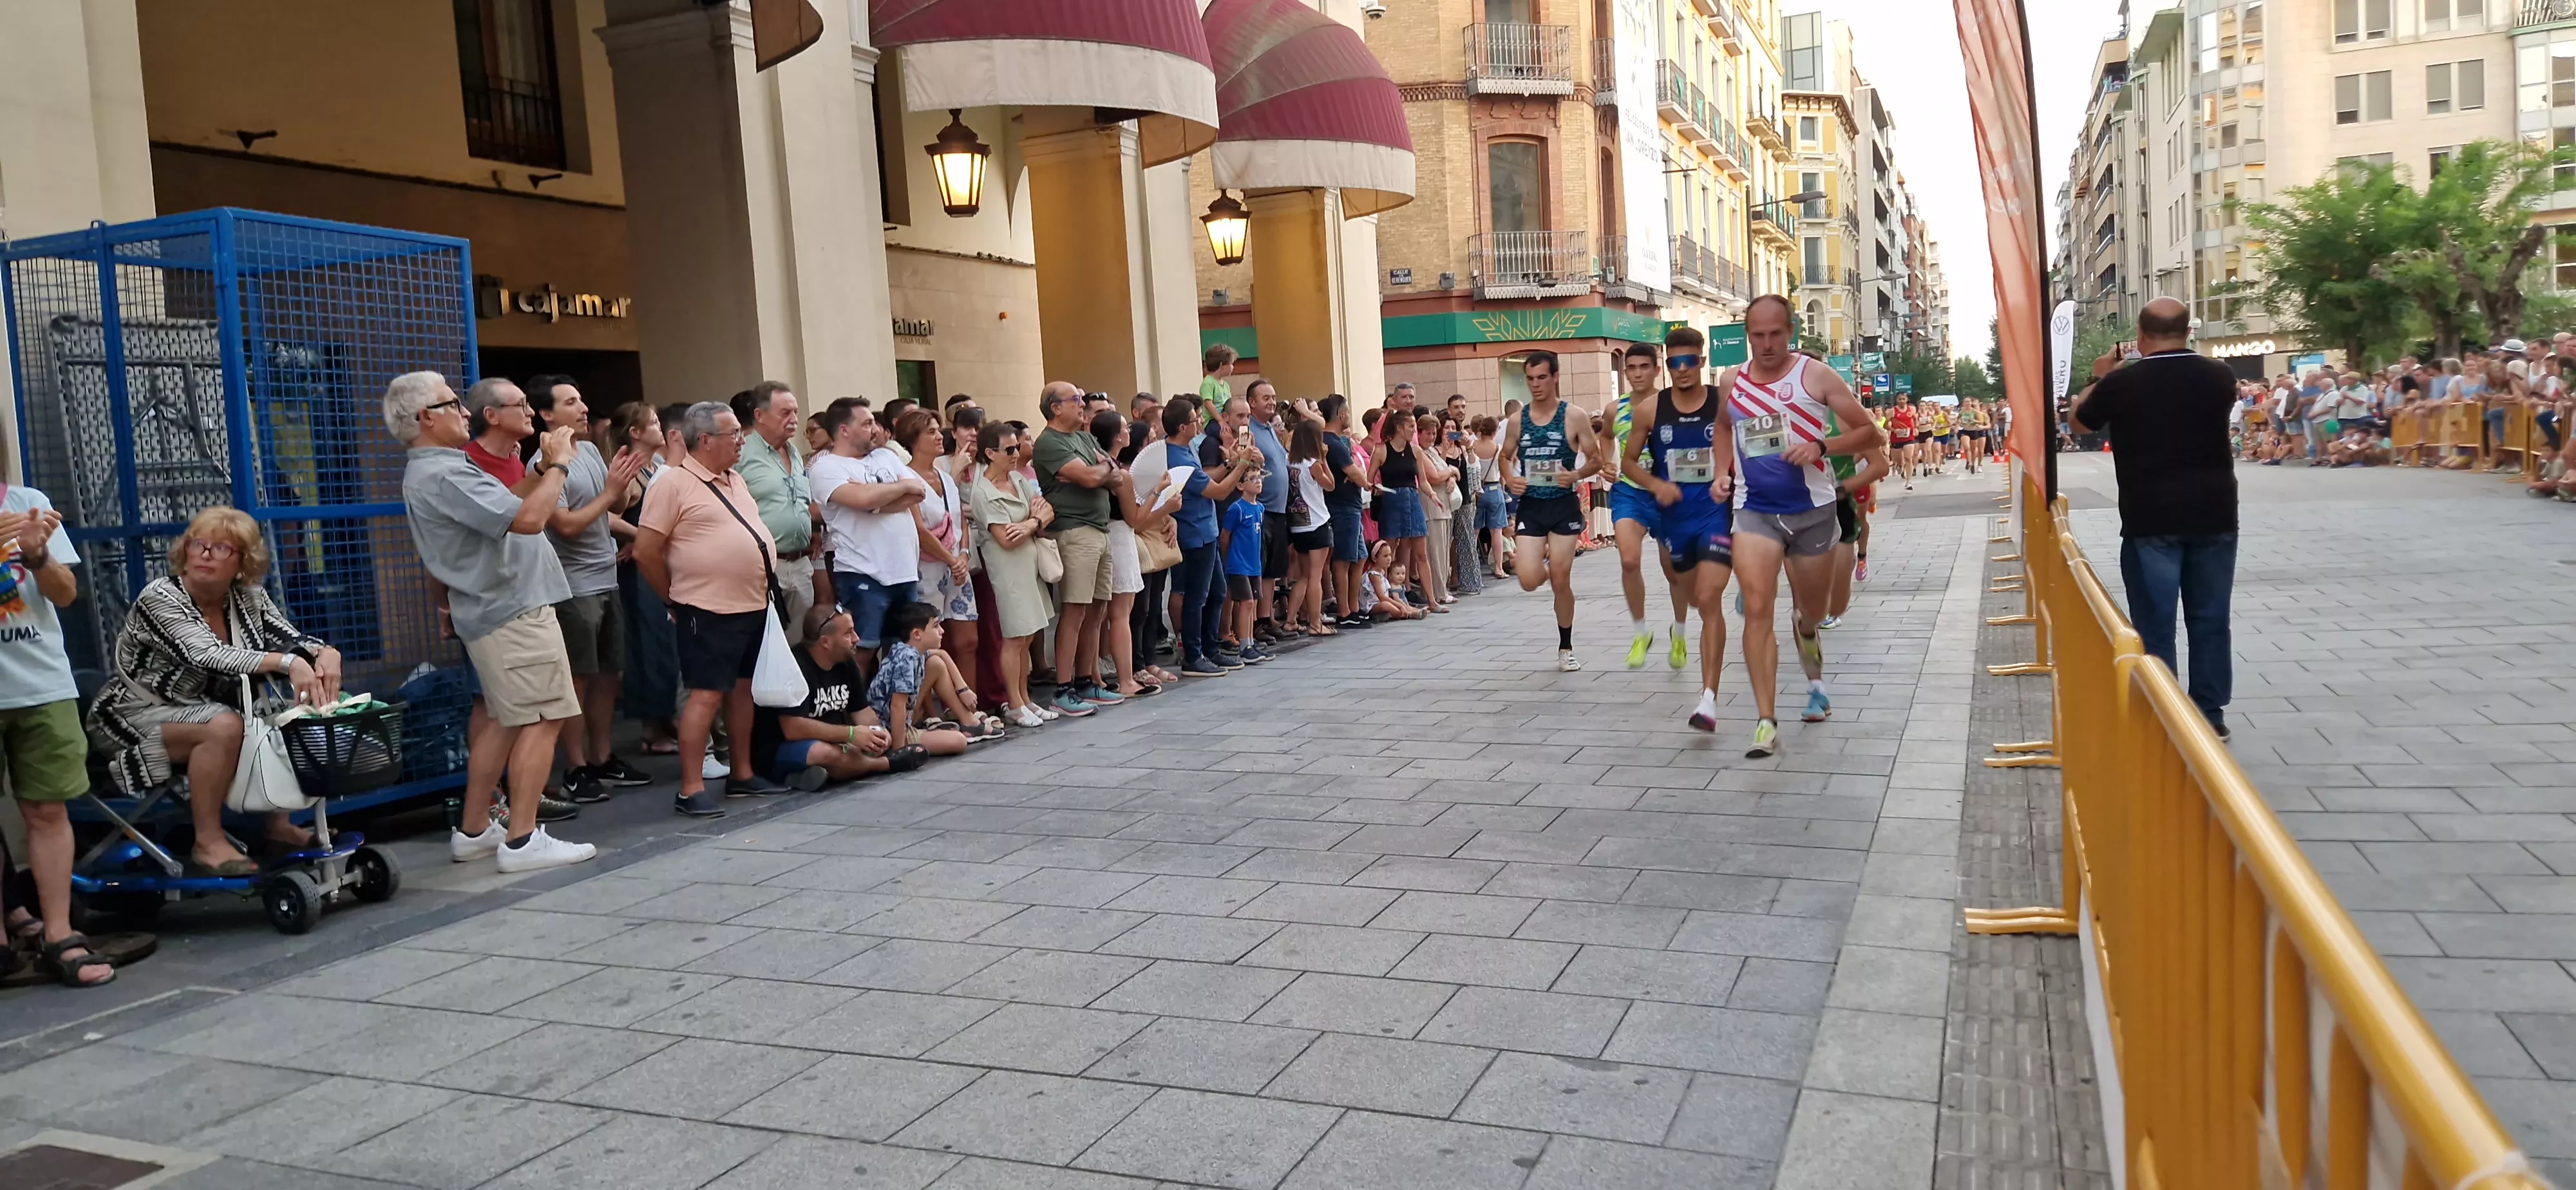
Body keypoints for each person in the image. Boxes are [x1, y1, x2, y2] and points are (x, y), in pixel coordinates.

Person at [387, 371, 598, 871]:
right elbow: (528, 519)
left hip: (497, 609)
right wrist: (560, 468)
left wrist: (543, 466)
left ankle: (475, 829)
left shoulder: (442, 467)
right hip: (513, 610)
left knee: (506, 720)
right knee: (545, 717)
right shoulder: (444, 473)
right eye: (453, 403)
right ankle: (523, 840)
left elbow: (506, 506)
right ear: (425, 418)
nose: (464, 411)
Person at [88, 507, 343, 877]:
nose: (206, 554)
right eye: (199, 544)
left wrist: (324, 654)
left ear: (242, 562)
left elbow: (289, 639)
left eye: (222, 548)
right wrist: (288, 664)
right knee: (223, 724)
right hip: (132, 714)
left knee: (284, 711)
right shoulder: (159, 597)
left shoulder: (247, 597)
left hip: (203, 710)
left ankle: (279, 827)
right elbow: (207, 654)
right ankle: (207, 842)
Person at [1720, 296, 1884, 757]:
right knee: (1756, 607)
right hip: (1755, 510)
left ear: (1790, 331)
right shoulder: (1731, 381)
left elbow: (1872, 435)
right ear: (1747, 334)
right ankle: (1766, 721)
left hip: (1813, 513)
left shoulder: (1815, 376)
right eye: (1757, 335)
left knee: (1809, 614)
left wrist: (1821, 446)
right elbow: (1720, 429)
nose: (1767, 344)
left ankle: (1814, 676)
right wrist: (1720, 472)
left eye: (1776, 334)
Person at [2069, 296, 2239, 738]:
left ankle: (2163, 713)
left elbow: (2079, 423)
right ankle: (2210, 713)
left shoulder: (2124, 382)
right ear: (2188, 332)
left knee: (2155, 619)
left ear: (2140, 336)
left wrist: (2100, 375)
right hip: (2215, 514)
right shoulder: (2220, 376)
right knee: (2210, 617)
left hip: (2151, 517)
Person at [635, 401, 792, 818]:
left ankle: (742, 773)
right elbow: (646, 551)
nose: (742, 441)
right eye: (733, 435)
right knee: (705, 696)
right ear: (705, 440)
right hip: (705, 608)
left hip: (752, 603)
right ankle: (691, 787)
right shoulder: (672, 484)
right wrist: (673, 598)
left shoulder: (735, 479)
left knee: (742, 693)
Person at [1, 471, 117, 986]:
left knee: (48, 810)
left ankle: (58, 934)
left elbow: (66, 593)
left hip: (42, 684)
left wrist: (37, 554)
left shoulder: (29, 503)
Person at [526, 377, 649, 804]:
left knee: (608, 676)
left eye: (581, 399)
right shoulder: (541, 465)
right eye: (571, 402)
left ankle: (603, 756)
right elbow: (567, 524)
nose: (583, 409)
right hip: (571, 587)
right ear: (546, 414)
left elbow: (609, 511)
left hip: (606, 577)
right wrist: (613, 492)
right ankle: (576, 767)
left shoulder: (592, 450)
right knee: (576, 681)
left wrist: (625, 488)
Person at [1621, 328, 1738, 732]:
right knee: (1688, 592)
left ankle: (1708, 698)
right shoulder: (1650, 410)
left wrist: (1726, 475)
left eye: (1690, 362)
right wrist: (1657, 485)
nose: (1682, 369)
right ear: (1666, 365)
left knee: (1709, 600)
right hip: (1674, 519)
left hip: (1715, 514)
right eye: (1675, 363)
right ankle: (1679, 626)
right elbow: (1629, 463)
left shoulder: (1723, 403)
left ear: (1702, 363)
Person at [1498, 350, 1603, 671]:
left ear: (1555, 377)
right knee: (1528, 579)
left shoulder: (1574, 416)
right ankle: (1545, 573)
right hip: (1531, 505)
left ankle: (1566, 647)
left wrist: (1577, 475)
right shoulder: (1518, 420)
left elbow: (1596, 459)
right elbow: (1504, 456)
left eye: (1542, 377)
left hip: (1562, 505)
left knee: (1561, 578)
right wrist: (1510, 478)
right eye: (1530, 379)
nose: (1536, 384)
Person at [811, 399, 925, 688]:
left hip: (904, 571)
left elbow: (918, 491)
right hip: (862, 573)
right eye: (866, 423)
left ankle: (898, 716)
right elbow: (862, 499)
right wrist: (883, 494)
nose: (875, 429)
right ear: (843, 430)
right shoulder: (826, 467)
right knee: (861, 650)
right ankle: (858, 716)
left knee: (904, 651)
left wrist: (873, 502)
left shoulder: (886, 457)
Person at [750, 605, 918, 789]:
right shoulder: (793, 667)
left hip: (835, 741)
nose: (856, 639)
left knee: (854, 749)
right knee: (824, 753)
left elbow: (861, 711)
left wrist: (877, 733)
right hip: (781, 748)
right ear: (825, 642)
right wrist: (852, 734)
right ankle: (885, 765)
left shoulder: (846, 662)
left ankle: (812, 775)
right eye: (848, 633)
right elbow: (793, 729)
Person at [1034, 382, 1126, 715]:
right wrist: (1095, 474)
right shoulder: (1049, 442)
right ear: (1054, 407)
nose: (1082, 403)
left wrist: (1097, 473)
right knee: (1074, 610)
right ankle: (1063, 688)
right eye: (1074, 399)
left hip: (1099, 530)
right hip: (1074, 531)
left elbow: (1115, 476)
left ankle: (1087, 681)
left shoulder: (1084, 438)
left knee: (1097, 610)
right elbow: (1091, 477)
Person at [1607, 342, 1692, 671]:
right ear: (1625, 372)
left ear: (1658, 370)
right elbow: (1605, 439)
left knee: (1674, 571)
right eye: (1632, 368)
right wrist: (1605, 462)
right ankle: (1641, 632)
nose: (1638, 374)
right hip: (1629, 492)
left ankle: (1680, 633)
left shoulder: (1672, 405)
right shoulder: (1616, 409)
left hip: (1668, 495)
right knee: (1629, 560)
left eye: (1645, 367)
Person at [967, 422, 1055, 725]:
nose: (1016, 454)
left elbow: (1047, 511)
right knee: (1015, 638)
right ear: (990, 453)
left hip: (1028, 566)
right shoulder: (984, 492)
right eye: (1009, 449)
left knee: (1029, 634)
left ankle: (1026, 699)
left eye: (1017, 447)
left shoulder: (1018, 479)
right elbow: (1006, 538)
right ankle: (1015, 703)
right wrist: (1034, 521)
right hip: (1008, 571)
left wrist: (1030, 523)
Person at [1164, 399, 1256, 673]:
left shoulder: (1186, 447)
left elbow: (1209, 479)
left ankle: (1210, 648)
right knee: (1197, 595)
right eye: (1195, 419)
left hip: (1206, 529)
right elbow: (1217, 492)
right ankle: (1194, 655)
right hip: (1194, 532)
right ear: (1183, 427)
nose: (1200, 423)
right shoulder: (1177, 457)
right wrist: (1242, 464)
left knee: (1216, 591)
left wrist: (1229, 463)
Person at [898, 409, 981, 708]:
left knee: (967, 639)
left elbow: (960, 522)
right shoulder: (904, 477)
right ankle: (928, 709)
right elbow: (919, 530)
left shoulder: (946, 478)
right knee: (930, 643)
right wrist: (950, 558)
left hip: (956, 566)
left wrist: (962, 555)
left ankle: (968, 704)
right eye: (931, 432)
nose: (938, 436)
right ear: (913, 440)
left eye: (938, 430)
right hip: (927, 568)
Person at [730, 382, 822, 645]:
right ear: (759, 416)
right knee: (766, 647)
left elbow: (801, 501)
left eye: (795, 412)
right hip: (764, 567)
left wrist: (813, 531)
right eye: (785, 413)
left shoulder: (793, 452)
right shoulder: (741, 453)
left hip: (800, 564)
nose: (794, 420)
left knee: (799, 645)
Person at [616, 403, 683, 754]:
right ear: (635, 432)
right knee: (649, 644)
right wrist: (638, 537)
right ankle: (651, 728)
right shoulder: (629, 471)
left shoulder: (657, 466)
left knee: (667, 645)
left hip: (660, 564)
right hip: (640, 572)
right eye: (653, 423)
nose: (660, 428)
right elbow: (608, 516)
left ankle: (666, 718)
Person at [1091, 408, 1164, 699]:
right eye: (1124, 427)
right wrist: (1159, 494)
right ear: (1118, 436)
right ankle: (1126, 679)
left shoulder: (1099, 465)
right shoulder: (1120, 474)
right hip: (1120, 539)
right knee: (1121, 615)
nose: (1128, 431)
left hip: (1103, 536)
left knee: (1096, 615)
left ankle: (1095, 677)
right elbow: (1135, 519)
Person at [869, 602, 993, 753]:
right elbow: (897, 706)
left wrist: (963, 688)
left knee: (935, 664)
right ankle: (899, 747)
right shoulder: (906, 660)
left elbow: (941, 654)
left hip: (903, 722)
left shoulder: (913, 651)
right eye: (935, 626)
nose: (942, 631)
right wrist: (900, 751)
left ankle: (968, 722)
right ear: (917, 634)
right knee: (958, 741)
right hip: (889, 731)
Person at [1370, 408, 1437, 618]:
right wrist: (1375, 489)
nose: (1414, 432)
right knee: (1387, 553)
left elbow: (1423, 481)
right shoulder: (1381, 450)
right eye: (1411, 427)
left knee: (1421, 553)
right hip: (1391, 501)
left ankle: (1432, 601)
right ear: (1400, 428)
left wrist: (1433, 495)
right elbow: (1369, 480)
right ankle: (1391, 598)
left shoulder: (1416, 451)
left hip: (1412, 499)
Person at [1244, 382, 1295, 642]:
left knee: (1273, 567)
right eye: (1266, 398)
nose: (1272, 402)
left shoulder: (1270, 429)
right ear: (1252, 402)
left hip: (1278, 509)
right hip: (1259, 509)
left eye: (1273, 398)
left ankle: (1266, 617)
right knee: (1260, 566)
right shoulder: (1248, 431)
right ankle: (1254, 623)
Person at [1319, 396, 1372, 628]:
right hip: (1342, 506)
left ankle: (1354, 607)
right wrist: (1363, 478)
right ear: (1341, 414)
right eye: (1348, 411)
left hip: (1351, 505)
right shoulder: (1333, 443)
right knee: (1343, 559)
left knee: (1359, 556)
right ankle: (1344, 611)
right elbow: (1357, 474)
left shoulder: (1337, 441)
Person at [1284, 417, 1339, 635]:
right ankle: (1316, 623)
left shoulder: (1291, 463)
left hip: (1298, 523)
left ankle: (1290, 620)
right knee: (1315, 576)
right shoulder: (1312, 463)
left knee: (1304, 576)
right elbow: (1331, 485)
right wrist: (1324, 459)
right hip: (1317, 521)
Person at [1412, 413, 1458, 609]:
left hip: (1444, 506)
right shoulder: (1420, 453)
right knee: (1436, 551)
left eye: (1433, 434)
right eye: (1427, 433)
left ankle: (1443, 588)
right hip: (1432, 506)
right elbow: (1435, 477)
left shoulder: (1431, 451)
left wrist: (1451, 476)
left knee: (1443, 549)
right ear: (1419, 433)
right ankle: (1439, 591)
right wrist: (1452, 472)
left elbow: (1444, 473)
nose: (1431, 437)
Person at [1222, 486, 1268, 659]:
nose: (1258, 482)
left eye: (1259, 478)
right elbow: (1225, 535)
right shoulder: (1237, 508)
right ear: (1241, 485)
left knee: (1252, 604)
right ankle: (1243, 645)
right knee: (1246, 602)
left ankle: (1250, 641)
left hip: (1254, 564)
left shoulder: (1260, 508)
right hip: (1239, 563)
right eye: (1252, 479)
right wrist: (1228, 556)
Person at [1469, 415, 1509, 580]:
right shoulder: (1498, 448)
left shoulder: (1472, 446)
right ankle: (1499, 567)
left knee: (1474, 531)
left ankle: (1471, 568)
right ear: (1495, 431)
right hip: (1495, 489)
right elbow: (1503, 474)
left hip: (1477, 491)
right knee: (1496, 531)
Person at [1361, 540, 1421, 621]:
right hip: (1372, 605)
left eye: (1390, 555)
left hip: (1380, 602)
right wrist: (1400, 606)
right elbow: (1382, 597)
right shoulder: (1374, 575)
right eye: (1385, 556)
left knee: (1394, 602)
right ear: (1375, 559)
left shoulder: (1381, 571)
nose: (1389, 558)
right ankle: (1408, 614)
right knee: (1386, 605)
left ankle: (1409, 611)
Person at [1200, 345, 1237, 413]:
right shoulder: (1208, 383)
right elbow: (1208, 404)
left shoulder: (1225, 385)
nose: (1233, 367)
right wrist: (1220, 420)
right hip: (1212, 421)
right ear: (1222, 365)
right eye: (1231, 364)